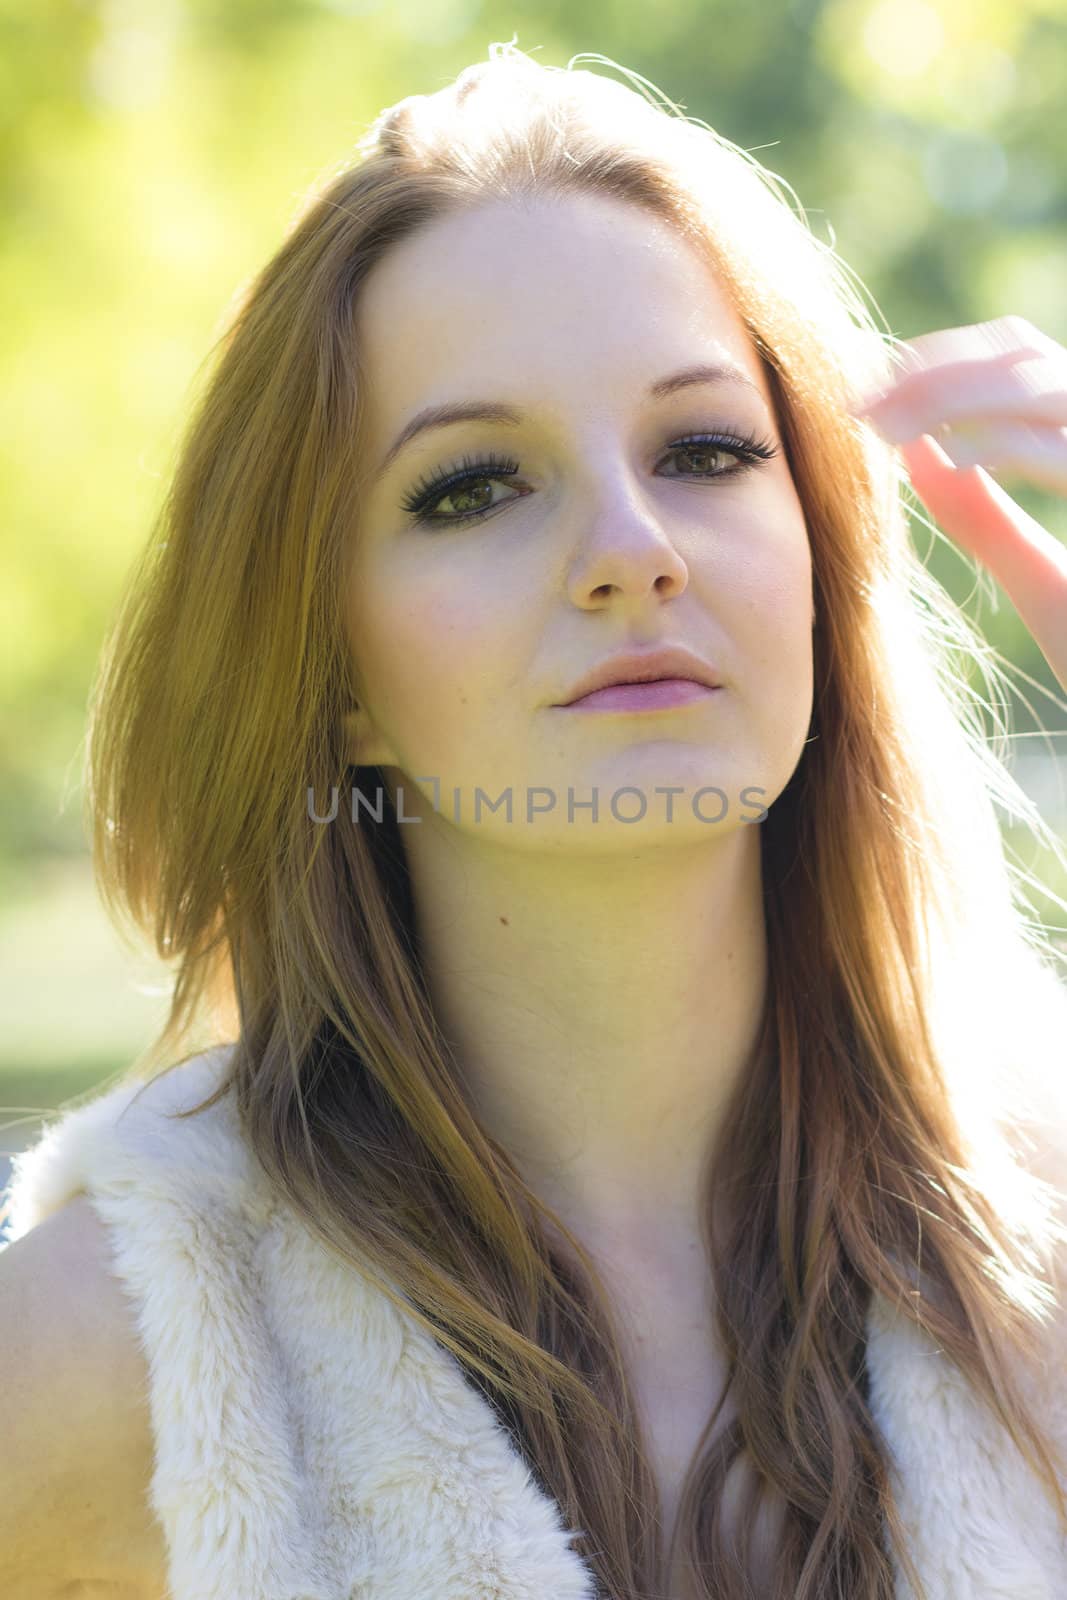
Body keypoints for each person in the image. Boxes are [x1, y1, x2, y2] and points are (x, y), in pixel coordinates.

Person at [4, 39, 1067, 1600]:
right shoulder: (122, 1346)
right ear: (334, 675)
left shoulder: (1038, 1238)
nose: (633, 551)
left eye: (705, 452)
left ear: (823, 572)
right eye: (473, 487)